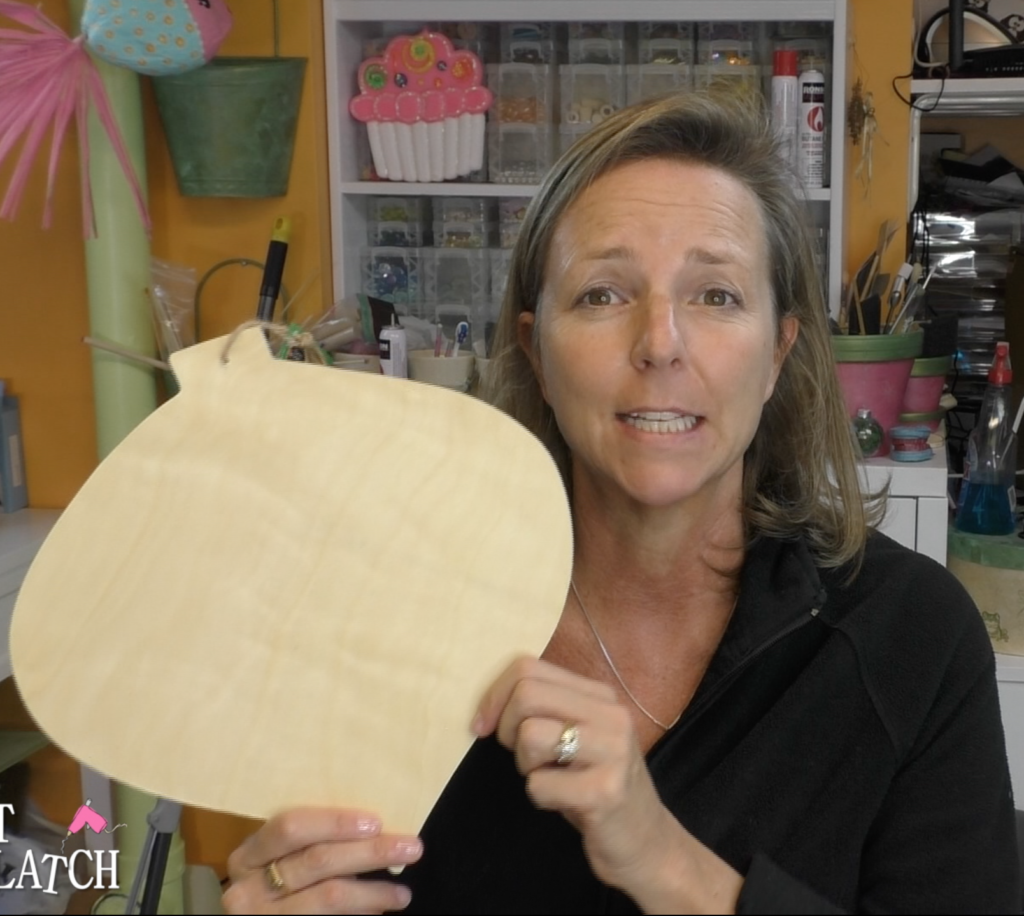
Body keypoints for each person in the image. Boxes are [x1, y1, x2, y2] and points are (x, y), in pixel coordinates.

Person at [223, 91, 1021, 914]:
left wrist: (664, 861)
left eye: (716, 296)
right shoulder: (389, 628)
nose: (659, 344)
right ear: (536, 350)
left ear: (779, 352)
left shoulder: (912, 640)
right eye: (603, 294)